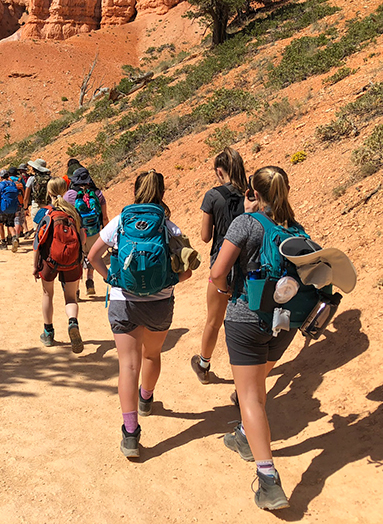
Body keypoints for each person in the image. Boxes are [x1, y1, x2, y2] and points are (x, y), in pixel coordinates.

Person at [209, 166, 298, 510]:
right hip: (285, 323)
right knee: (257, 383)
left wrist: (224, 288)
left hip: (246, 318)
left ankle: (269, 480)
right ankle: (245, 438)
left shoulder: (246, 223)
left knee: (249, 397)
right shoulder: (293, 227)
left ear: (252, 193)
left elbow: (218, 270)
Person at [87, 171, 192, 459]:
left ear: (135, 191)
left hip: (123, 301)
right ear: (162, 191)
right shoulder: (171, 229)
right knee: (151, 356)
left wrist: (112, 278)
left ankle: (130, 433)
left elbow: (93, 256)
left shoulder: (119, 223)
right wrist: (166, 282)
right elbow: (188, 271)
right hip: (159, 304)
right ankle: (146, 398)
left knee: (127, 366)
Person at [191, 147, 249, 383]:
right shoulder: (251, 194)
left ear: (219, 171)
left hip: (221, 267)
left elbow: (205, 236)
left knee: (214, 322)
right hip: (248, 264)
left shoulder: (213, 196)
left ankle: (204, 365)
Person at [33, 177, 85, 353]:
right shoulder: (73, 212)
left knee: (47, 294)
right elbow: (82, 238)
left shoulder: (44, 213)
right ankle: (73, 322)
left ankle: (48, 333)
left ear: (49, 192)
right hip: (72, 261)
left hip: (50, 261)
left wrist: (35, 266)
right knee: (71, 298)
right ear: (65, 189)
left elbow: (37, 242)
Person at [65, 167, 109, 296]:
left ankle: (77, 288)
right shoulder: (97, 193)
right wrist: (106, 232)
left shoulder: (69, 195)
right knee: (92, 256)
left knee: (77, 259)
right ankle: (90, 280)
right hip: (94, 231)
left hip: (76, 232)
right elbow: (104, 216)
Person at [0, 168, 20, 252]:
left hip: (3, 208)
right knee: (10, 225)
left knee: (1, 224)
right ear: (8, 176)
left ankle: (3, 243)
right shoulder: (13, 184)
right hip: (12, 208)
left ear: (1, 177)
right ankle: (13, 238)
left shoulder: (0, 185)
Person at [24, 158, 51, 227]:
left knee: (37, 228)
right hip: (48, 205)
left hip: (36, 204)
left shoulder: (31, 179)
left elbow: (26, 196)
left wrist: (25, 208)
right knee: (47, 227)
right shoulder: (50, 178)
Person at [15, 164, 33, 237]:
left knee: (21, 214)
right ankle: (22, 230)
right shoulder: (29, 177)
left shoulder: (19, 178)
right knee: (23, 214)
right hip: (29, 196)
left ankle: (25, 230)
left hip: (21, 198)